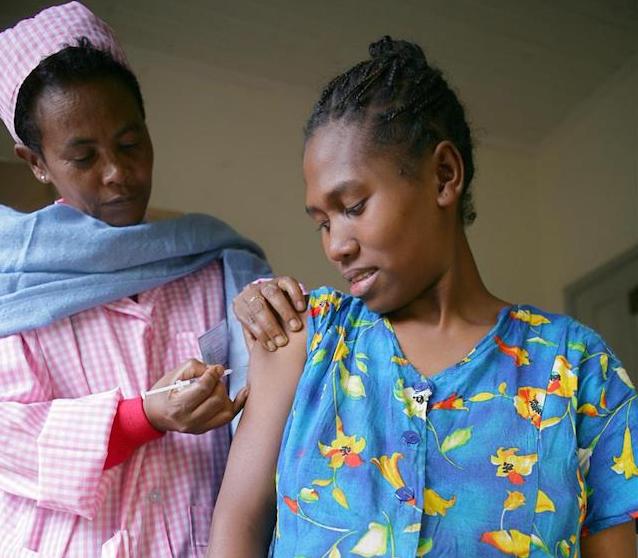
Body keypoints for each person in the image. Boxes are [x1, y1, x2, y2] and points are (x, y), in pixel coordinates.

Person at [209, 36, 638, 557]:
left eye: (353, 205)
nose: (336, 246)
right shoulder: (308, 337)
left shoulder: (577, 367)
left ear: (443, 176)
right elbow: (236, 528)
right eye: (322, 223)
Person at [0, 3, 303, 556]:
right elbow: (7, 437)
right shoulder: (11, 278)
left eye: (130, 142)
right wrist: (144, 417)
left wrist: (272, 312)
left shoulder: (221, 262)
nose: (117, 172)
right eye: (83, 156)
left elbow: (279, 418)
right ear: (36, 161)